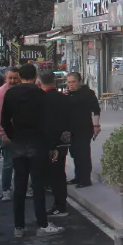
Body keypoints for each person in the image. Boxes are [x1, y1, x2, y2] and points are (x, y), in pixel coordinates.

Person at [1, 64, 64, 237]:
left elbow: (4, 120)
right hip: (38, 142)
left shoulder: (10, 93)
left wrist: (13, 136)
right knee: (37, 185)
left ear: (20, 76)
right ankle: (42, 224)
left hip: (19, 141)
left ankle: (18, 226)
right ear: (35, 76)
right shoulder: (40, 94)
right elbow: (47, 122)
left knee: (19, 185)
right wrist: (52, 146)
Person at [39, 72, 72, 218]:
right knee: (60, 173)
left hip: (50, 142)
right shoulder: (65, 98)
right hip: (64, 140)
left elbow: (46, 123)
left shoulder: (43, 99)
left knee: (54, 175)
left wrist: (50, 145)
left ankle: (60, 206)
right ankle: (61, 203)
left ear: (40, 82)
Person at [66, 72, 101, 187]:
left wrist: (96, 126)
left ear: (79, 81)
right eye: (69, 82)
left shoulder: (87, 93)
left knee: (83, 154)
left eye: (73, 82)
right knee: (75, 154)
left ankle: (85, 179)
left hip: (84, 128)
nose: (71, 84)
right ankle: (78, 177)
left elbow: (96, 110)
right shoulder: (69, 94)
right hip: (72, 129)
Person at [0, 67, 21, 201]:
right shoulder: (1, 93)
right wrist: (4, 135)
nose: (13, 81)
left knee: (19, 163)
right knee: (8, 163)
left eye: (15, 78)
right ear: (5, 78)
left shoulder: (18, 90)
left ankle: (19, 188)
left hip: (17, 133)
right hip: (6, 134)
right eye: (10, 78)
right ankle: (6, 190)